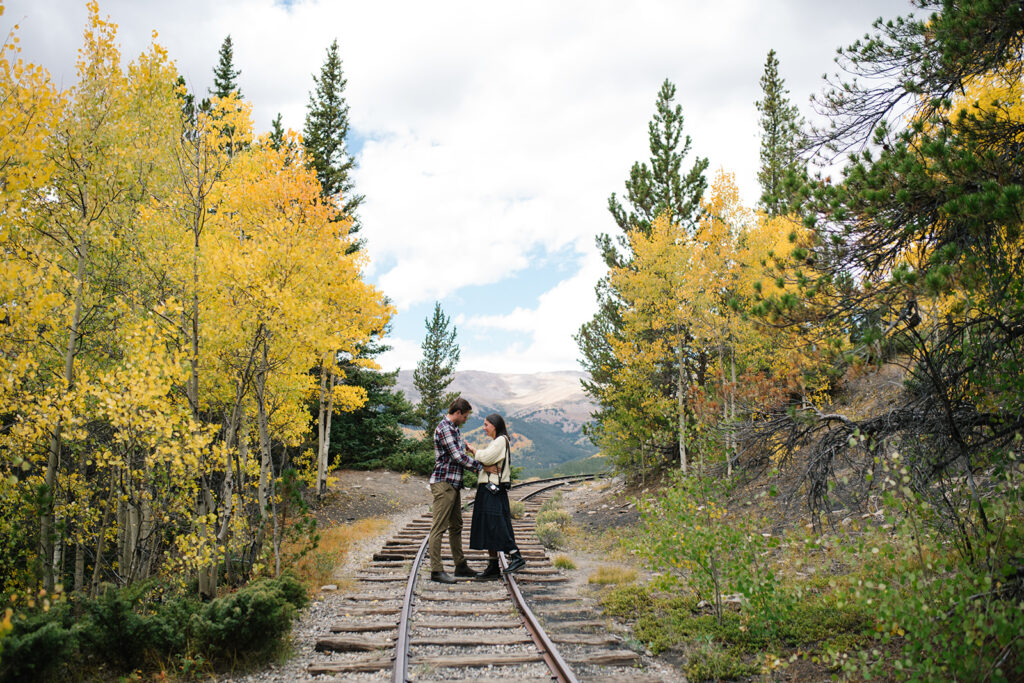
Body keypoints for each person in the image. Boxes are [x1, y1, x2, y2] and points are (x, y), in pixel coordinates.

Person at [427, 397, 498, 583]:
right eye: (465, 416)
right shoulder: (445, 428)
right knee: (439, 527)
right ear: (457, 413)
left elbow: (457, 454)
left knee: (456, 525)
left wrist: (472, 452)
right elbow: (457, 456)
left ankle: (460, 566)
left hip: (453, 484)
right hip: (444, 483)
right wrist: (482, 467)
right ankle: (436, 570)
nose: (466, 420)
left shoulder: (454, 430)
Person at [469, 413, 526, 579]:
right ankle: (493, 566)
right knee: (490, 525)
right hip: (490, 488)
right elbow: (486, 462)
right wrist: (484, 466)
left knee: (495, 524)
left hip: (492, 489)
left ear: (494, 425)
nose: (484, 427)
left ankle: (516, 556)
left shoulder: (501, 440)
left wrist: (473, 450)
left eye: (486, 424)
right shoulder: (498, 441)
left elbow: (486, 457)